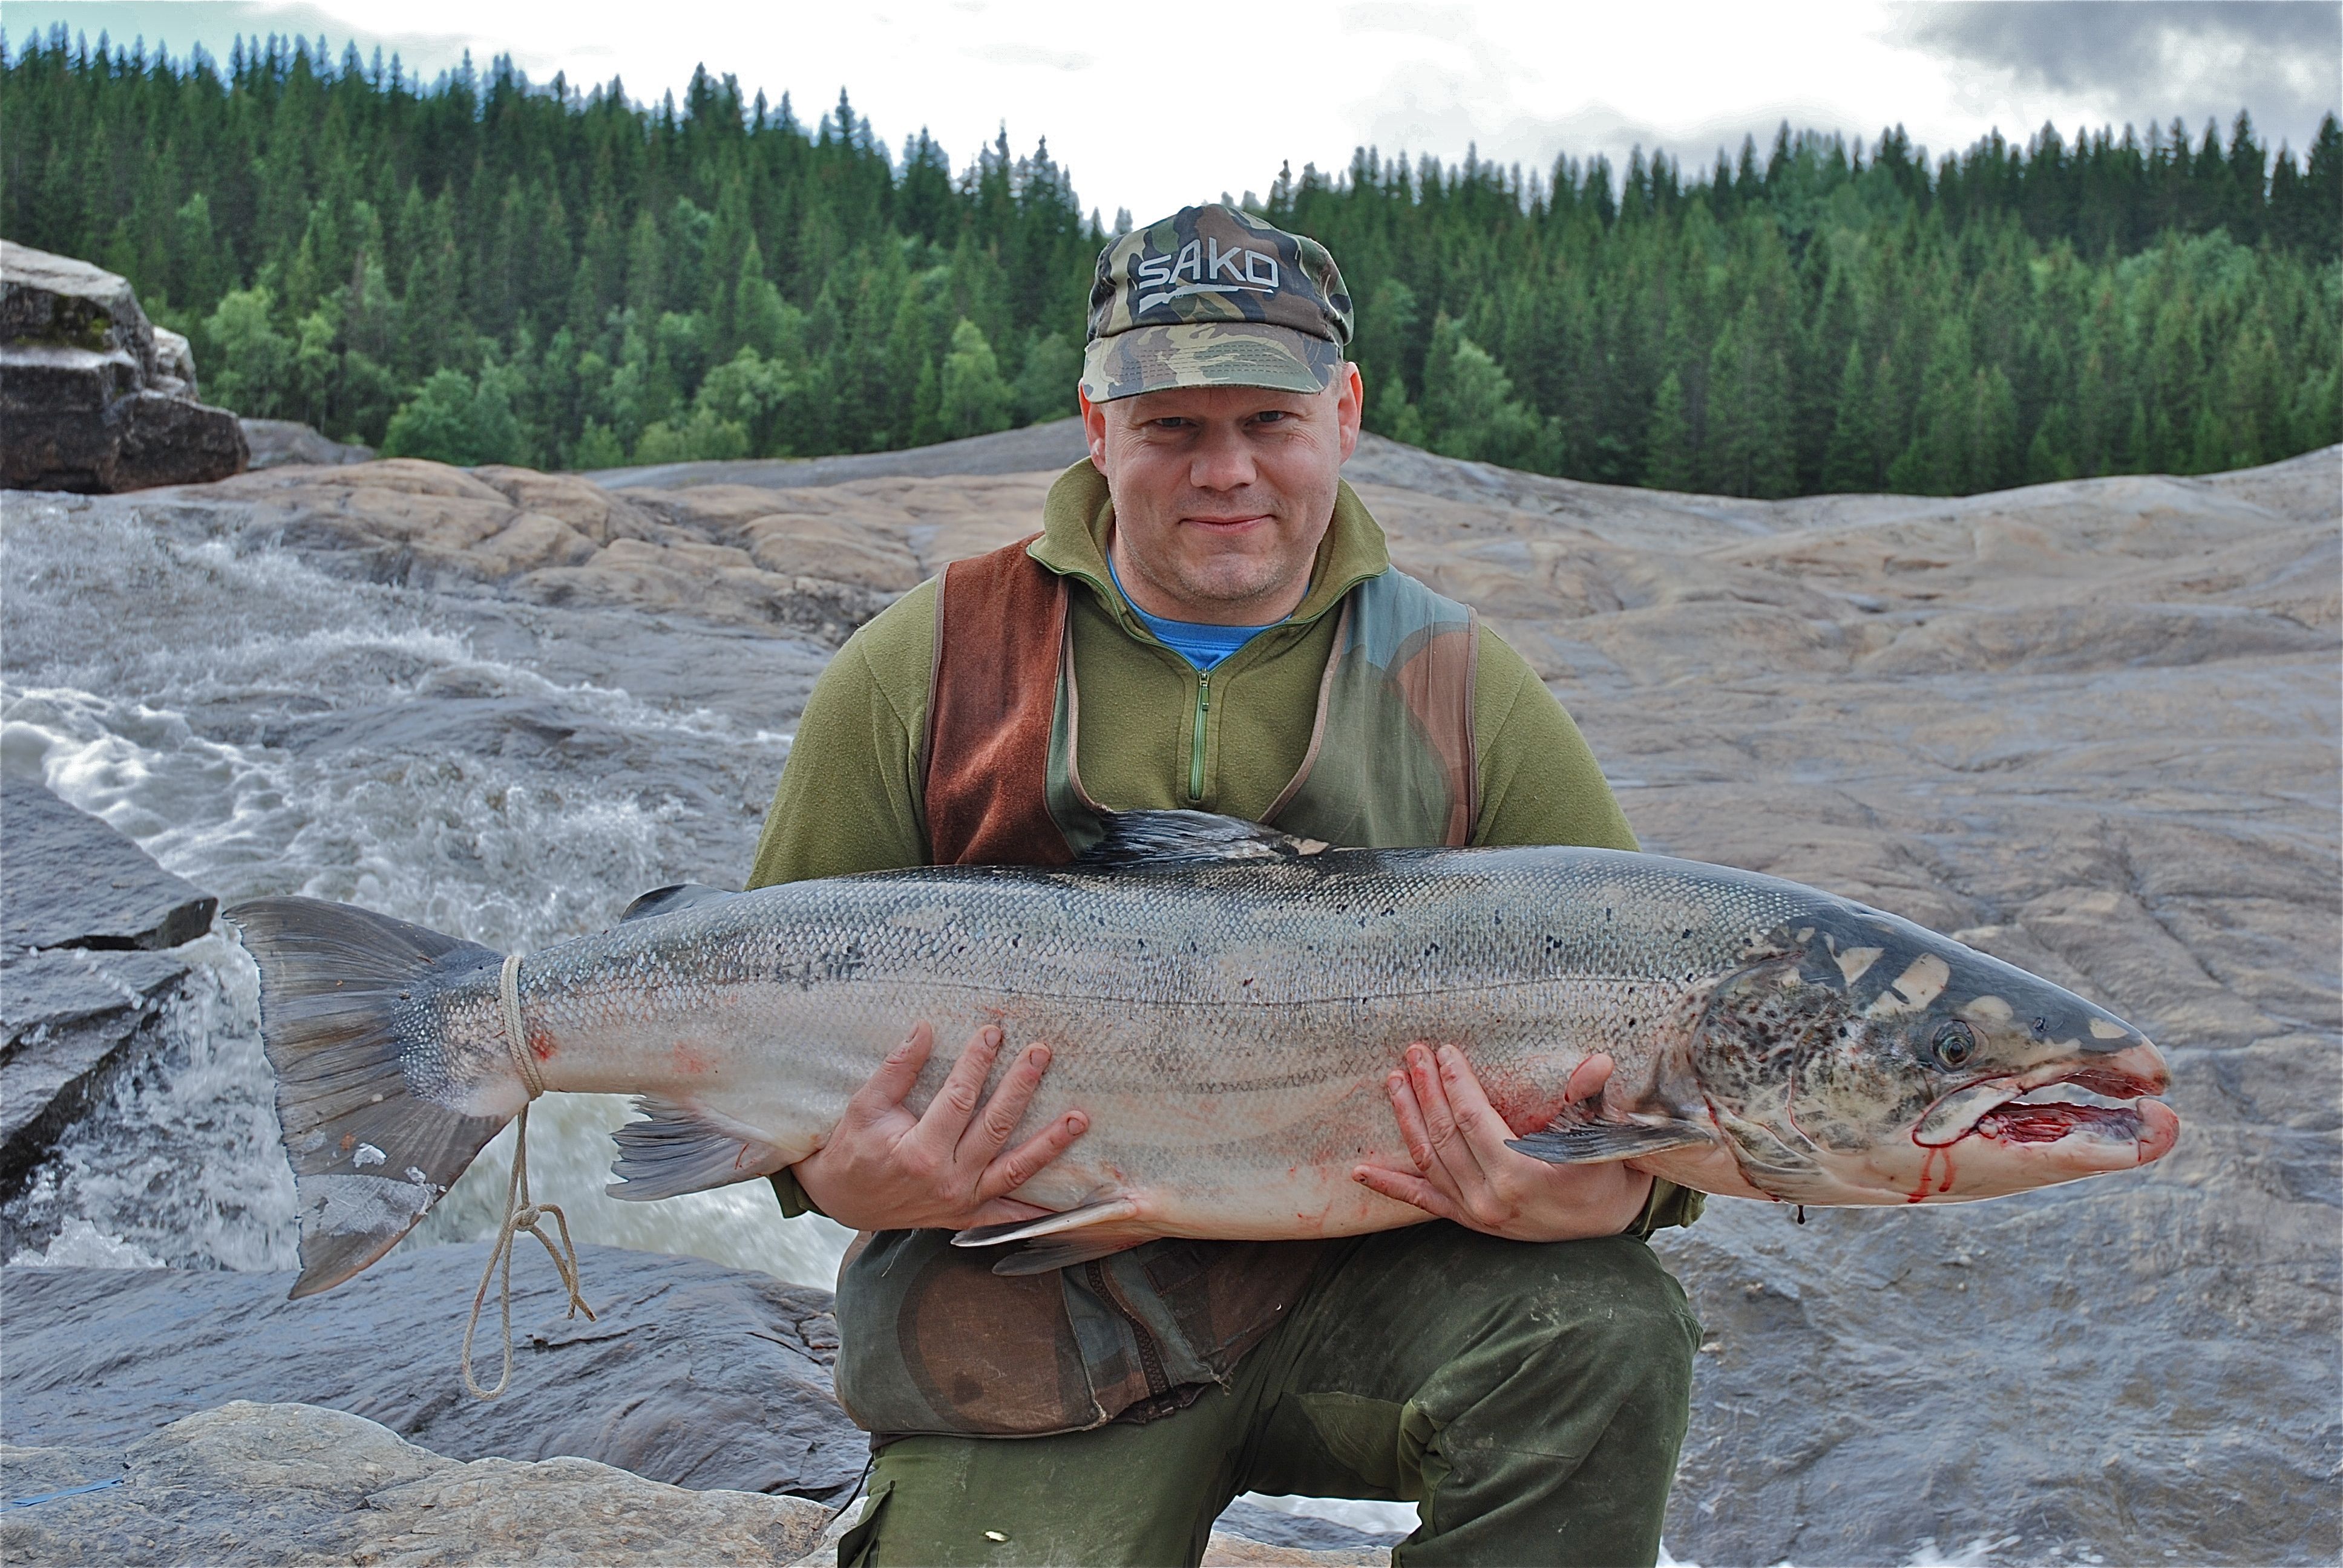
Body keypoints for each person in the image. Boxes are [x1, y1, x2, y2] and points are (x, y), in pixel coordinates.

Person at [747, 204, 1702, 1567]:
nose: (1226, 471)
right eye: (1172, 428)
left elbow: (1665, 1017)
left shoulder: (1463, 688)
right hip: (1021, 1328)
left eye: (1268, 421)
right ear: (1096, 427)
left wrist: (1618, 1195)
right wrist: (835, 1175)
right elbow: (761, 987)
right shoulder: (924, 665)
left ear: (1345, 413)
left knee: (1606, 1327)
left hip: (1378, 1301)